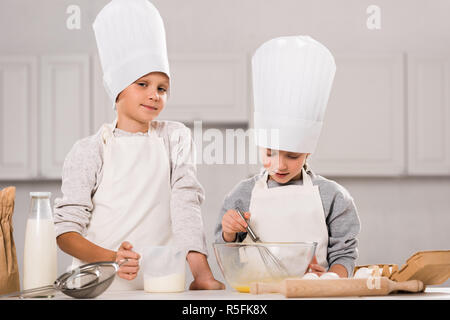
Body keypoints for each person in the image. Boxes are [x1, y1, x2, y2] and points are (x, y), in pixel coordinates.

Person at [54, 0, 224, 290]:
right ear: (118, 90)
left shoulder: (176, 138)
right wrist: (113, 259)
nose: (154, 95)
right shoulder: (89, 150)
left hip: (161, 288)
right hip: (99, 288)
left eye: (162, 88)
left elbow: (186, 208)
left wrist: (202, 274)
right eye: (142, 84)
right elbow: (66, 233)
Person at [215, 36, 361, 278]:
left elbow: (344, 255)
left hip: (311, 294)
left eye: (292, 156)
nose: (279, 165)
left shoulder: (333, 196)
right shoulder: (241, 195)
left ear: (308, 151)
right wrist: (229, 232)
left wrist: (330, 278)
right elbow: (227, 253)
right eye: (269, 153)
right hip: (256, 295)